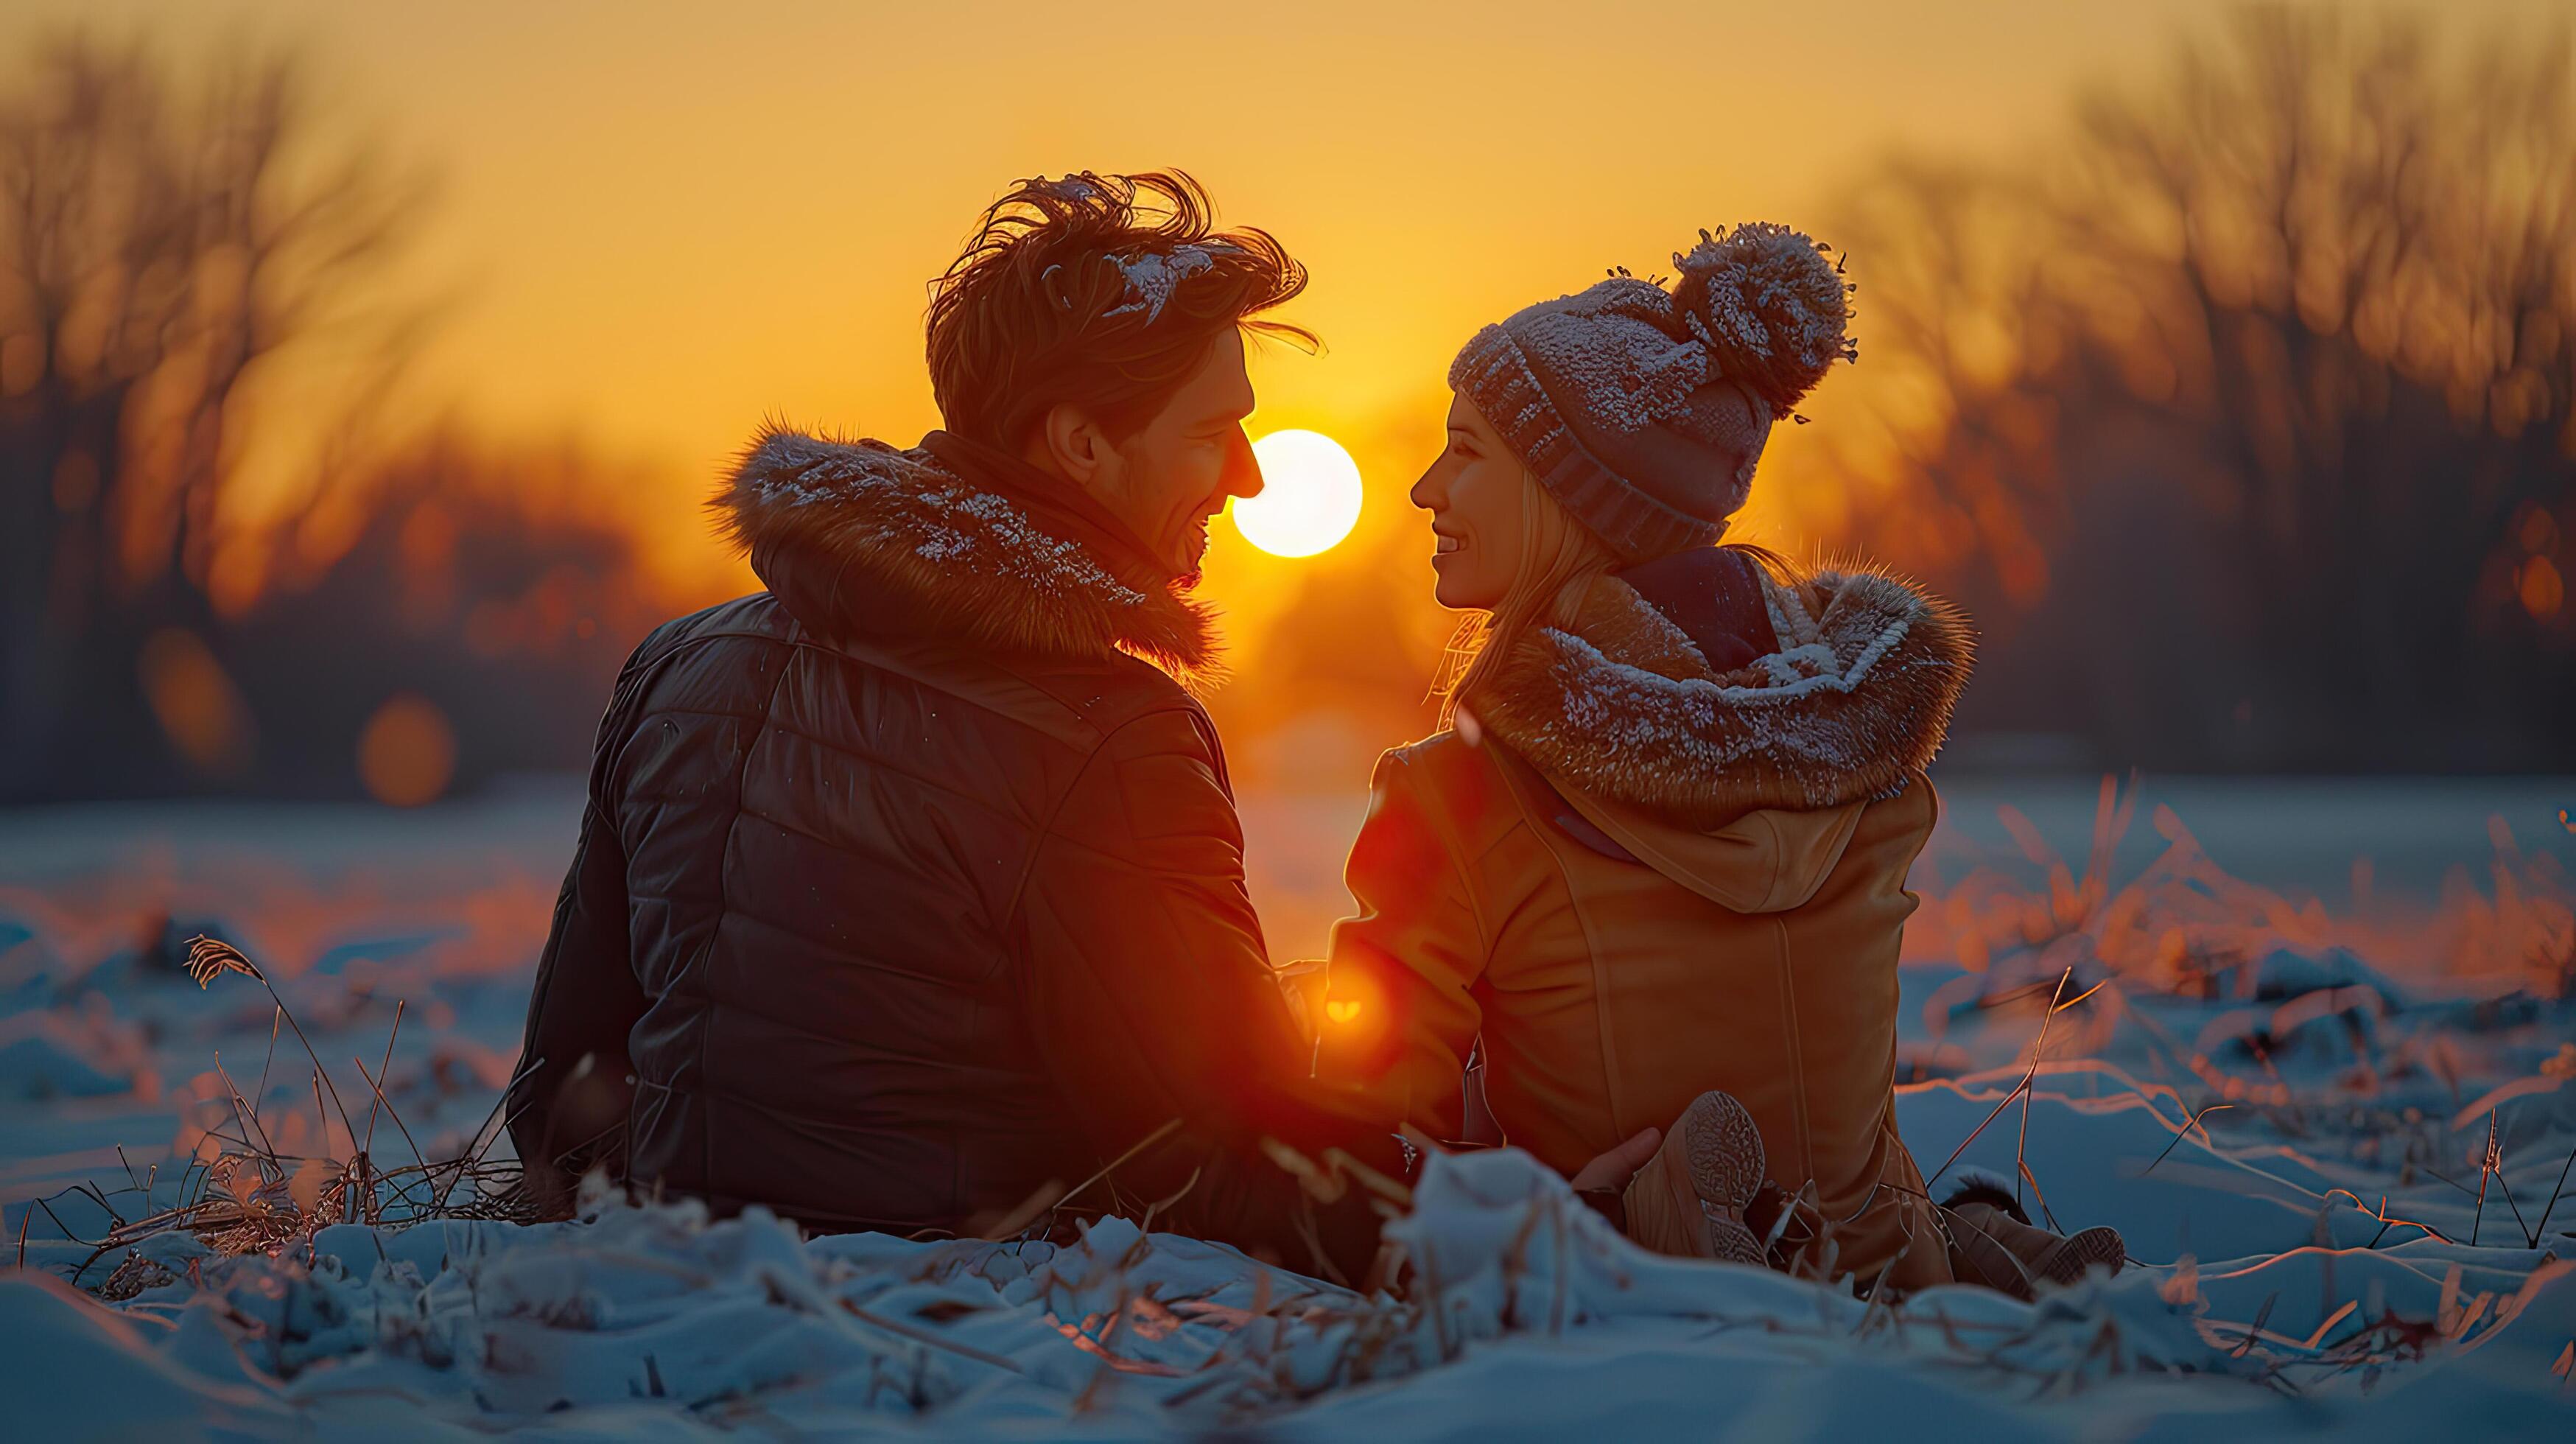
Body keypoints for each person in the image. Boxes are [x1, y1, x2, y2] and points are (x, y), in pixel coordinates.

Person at [505, 171, 1654, 1285]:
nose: (1248, 477)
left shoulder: (678, 661)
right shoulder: (1104, 733)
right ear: (1081, 444)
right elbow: (1214, 1161)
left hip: (672, 1279)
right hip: (939, 1314)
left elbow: (560, 1092)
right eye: (1212, 433)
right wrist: (1543, 1228)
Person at [1307, 226, 2124, 1298]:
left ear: (1570, 492)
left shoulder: (1457, 793)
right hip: (1879, 1265)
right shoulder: (1865, 763)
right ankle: (1960, 1246)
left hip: (1635, 1287)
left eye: (1465, 451)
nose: (1422, 488)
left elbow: (1366, 1153)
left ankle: (1649, 1216)